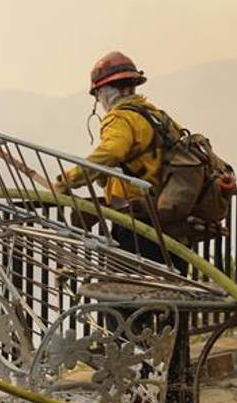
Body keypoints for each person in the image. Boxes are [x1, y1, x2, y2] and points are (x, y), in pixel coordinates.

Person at [52, 51, 187, 273]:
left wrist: (67, 180)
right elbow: (145, 160)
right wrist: (106, 177)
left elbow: (111, 152)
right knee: (171, 290)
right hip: (170, 224)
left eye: (98, 95)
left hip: (139, 226)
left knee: (126, 292)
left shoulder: (120, 117)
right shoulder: (157, 116)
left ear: (104, 91)